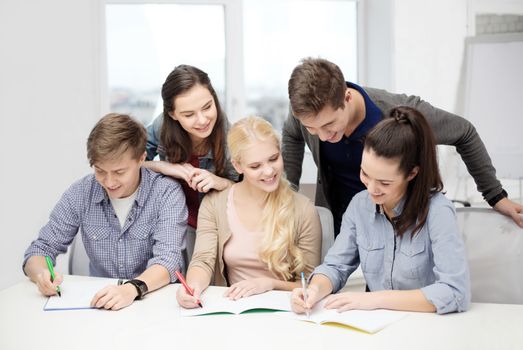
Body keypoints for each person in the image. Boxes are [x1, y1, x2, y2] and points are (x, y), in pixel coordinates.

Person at [283, 57, 523, 234]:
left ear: (346, 98)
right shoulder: (307, 115)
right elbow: (292, 133)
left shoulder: (400, 113)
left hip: (400, 232)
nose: (323, 136)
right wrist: (289, 194)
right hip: (343, 228)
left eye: (329, 125)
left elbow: (464, 133)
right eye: (312, 129)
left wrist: (495, 196)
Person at [291, 106, 470, 315]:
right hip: (377, 328)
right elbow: (335, 266)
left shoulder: (438, 212)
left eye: (385, 182)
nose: (371, 189)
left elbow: (455, 292)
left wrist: (374, 299)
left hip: (425, 326)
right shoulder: (360, 205)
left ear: (412, 173)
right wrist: (313, 290)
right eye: (365, 174)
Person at [23, 113, 188, 311]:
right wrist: (41, 273)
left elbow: (168, 261)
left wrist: (131, 289)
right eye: (100, 171)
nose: (109, 182)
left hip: (155, 303)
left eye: (119, 172)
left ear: (142, 159)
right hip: (102, 306)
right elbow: (40, 250)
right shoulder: (81, 192)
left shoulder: (166, 193)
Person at [176, 116, 322, 308]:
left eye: (274, 158)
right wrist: (192, 287)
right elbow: (203, 261)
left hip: (286, 313)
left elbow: (310, 283)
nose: (269, 171)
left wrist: (269, 285)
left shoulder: (303, 210)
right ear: (237, 166)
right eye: (255, 166)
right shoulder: (215, 204)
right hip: (234, 311)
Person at [145, 65, 238, 262]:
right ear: (172, 114)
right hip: (173, 224)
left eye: (207, 107)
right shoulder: (162, 127)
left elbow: (252, 193)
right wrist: (167, 167)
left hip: (218, 228)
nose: (202, 120)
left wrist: (221, 183)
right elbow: (129, 162)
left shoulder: (232, 139)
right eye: (189, 115)